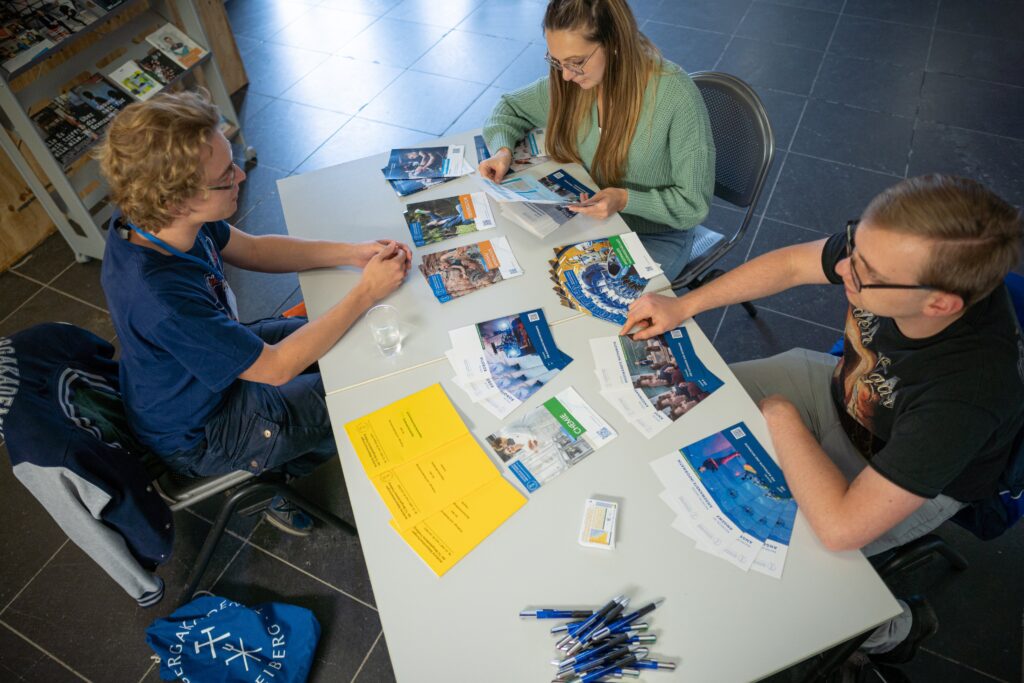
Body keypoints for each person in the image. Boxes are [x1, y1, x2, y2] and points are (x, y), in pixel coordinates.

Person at [623, 174, 1024, 663]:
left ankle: (887, 628)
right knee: (674, 403)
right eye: (855, 242)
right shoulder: (884, 255)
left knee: (772, 569)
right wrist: (683, 304)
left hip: (895, 471)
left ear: (939, 304)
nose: (843, 267)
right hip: (839, 391)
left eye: (865, 271)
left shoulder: (966, 392)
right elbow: (794, 264)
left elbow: (842, 527)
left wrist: (779, 415)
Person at [97, 90, 412, 536]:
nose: (241, 175)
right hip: (204, 430)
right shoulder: (159, 299)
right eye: (226, 175)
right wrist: (365, 293)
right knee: (355, 380)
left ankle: (283, 456)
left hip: (210, 377)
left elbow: (255, 250)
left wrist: (352, 253)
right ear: (176, 200)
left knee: (345, 346)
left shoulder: (154, 216)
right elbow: (277, 368)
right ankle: (270, 480)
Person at [479, 0, 714, 281]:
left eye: (576, 62)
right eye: (556, 61)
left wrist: (624, 199)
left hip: (654, 235)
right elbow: (510, 107)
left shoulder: (675, 96)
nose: (565, 75)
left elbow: (693, 205)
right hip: (589, 219)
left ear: (614, 43)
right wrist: (502, 150)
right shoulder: (576, 84)